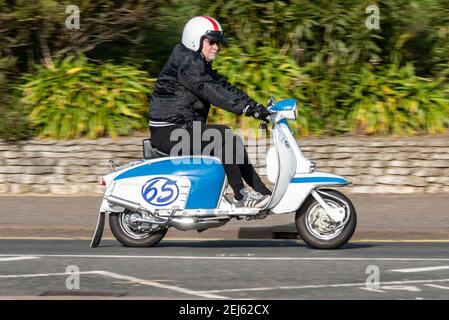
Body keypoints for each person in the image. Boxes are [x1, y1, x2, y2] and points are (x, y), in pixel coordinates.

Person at [149, 16, 272, 208]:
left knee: (233, 140)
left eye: (217, 43)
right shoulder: (188, 65)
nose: (216, 47)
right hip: (168, 132)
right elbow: (209, 89)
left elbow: (224, 87)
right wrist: (245, 109)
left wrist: (257, 107)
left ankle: (262, 192)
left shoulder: (197, 62)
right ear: (195, 40)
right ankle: (241, 195)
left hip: (181, 128)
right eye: (211, 42)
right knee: (223, 135)